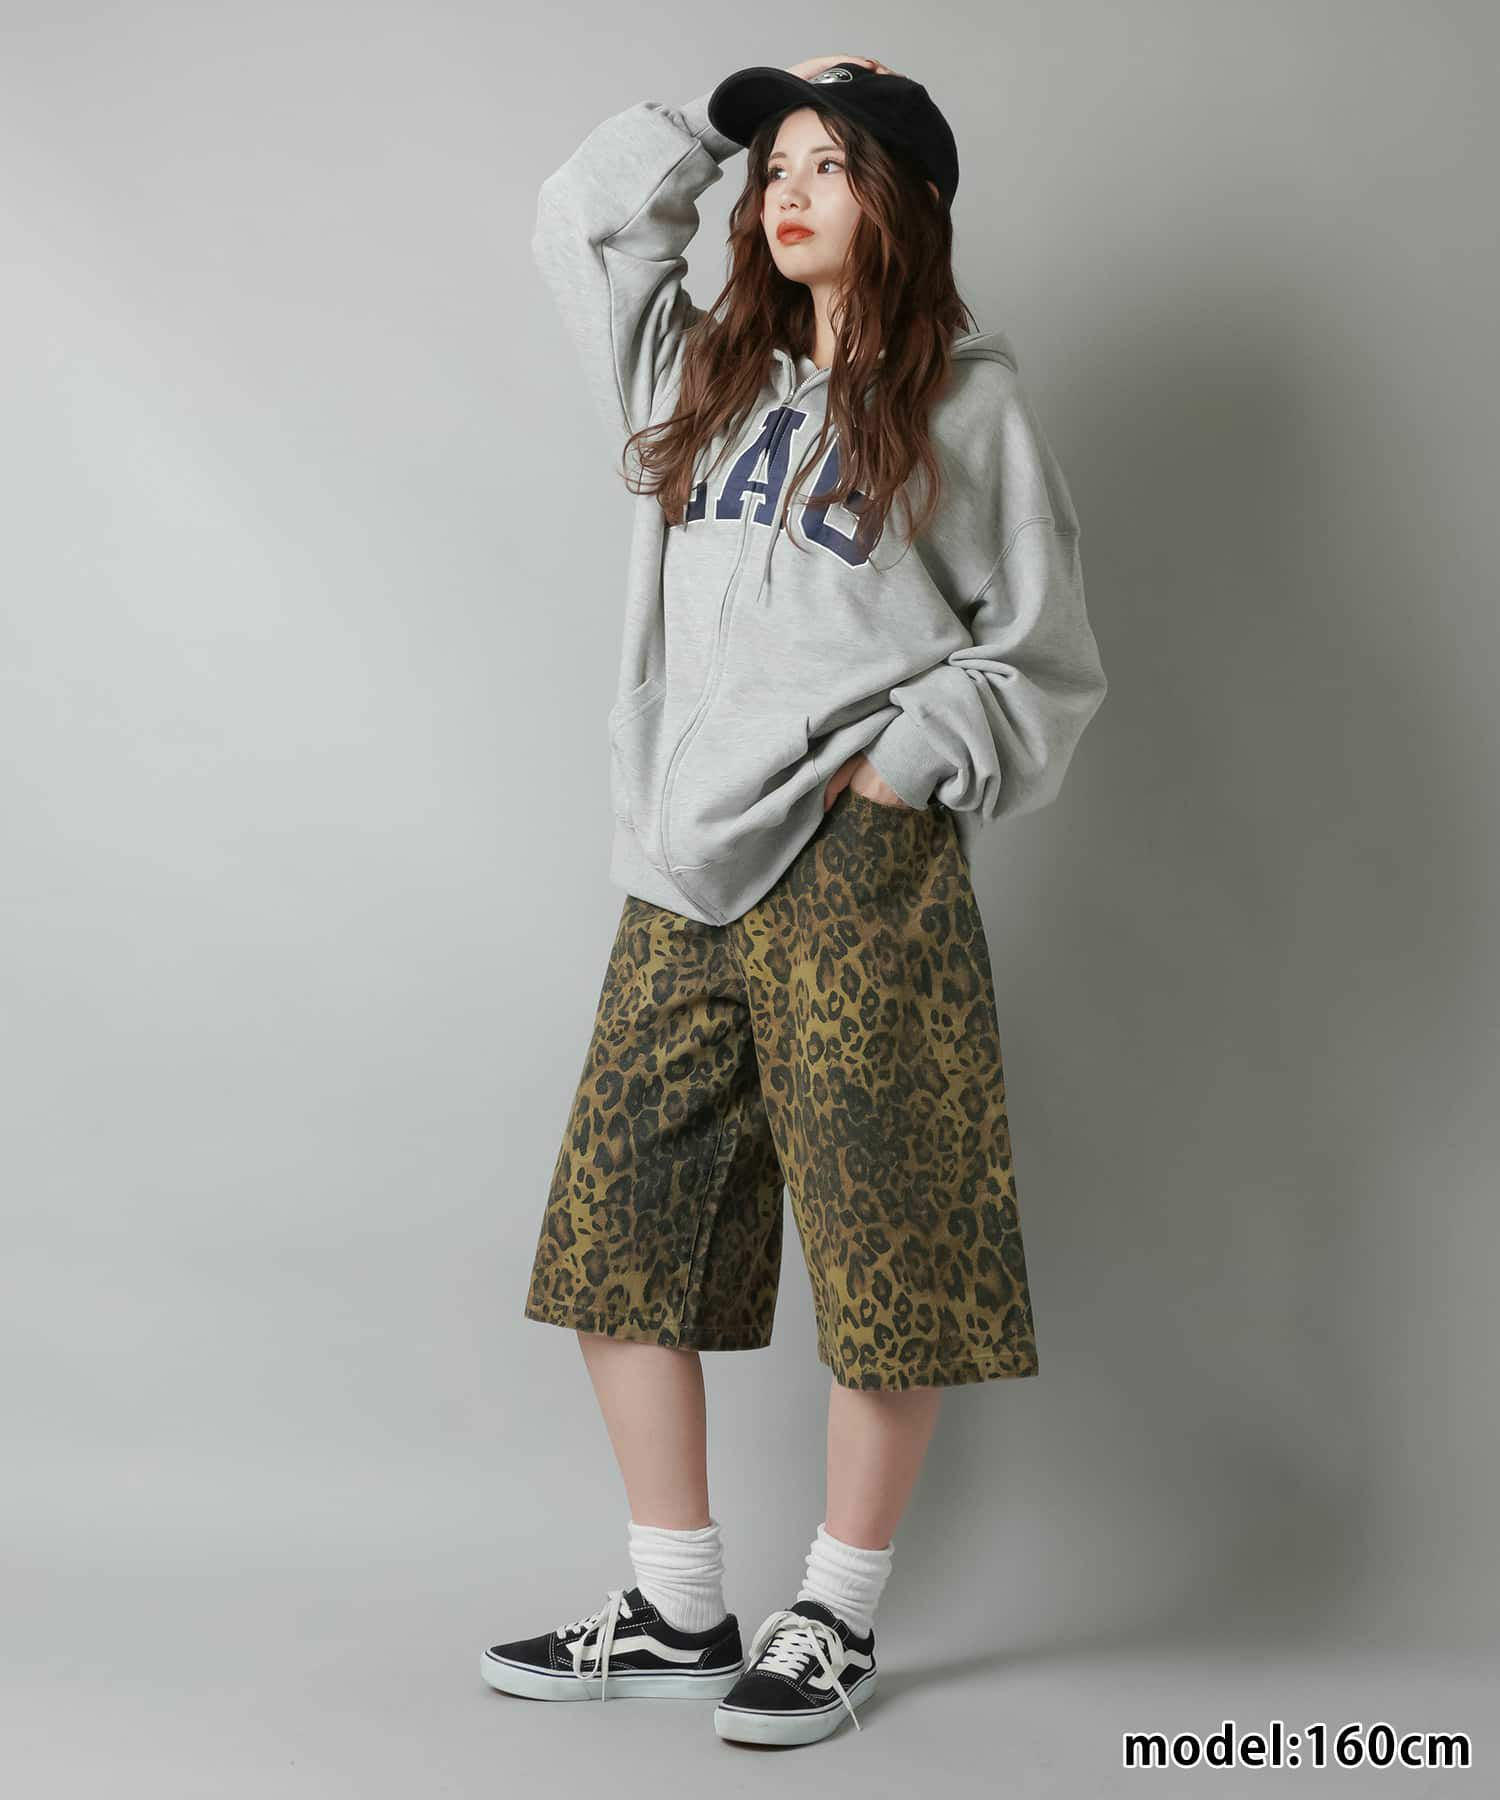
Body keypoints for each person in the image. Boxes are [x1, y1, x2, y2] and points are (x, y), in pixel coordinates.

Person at [480, 54, 1108, 1747]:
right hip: (681, 873)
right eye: (777, 166)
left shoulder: (968, 408)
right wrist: (714, 117)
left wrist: (911, 758)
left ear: (902, 204)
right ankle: (679, 1606)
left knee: (894, 1245)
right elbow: (579, 220)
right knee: (621, 1238)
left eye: (831, 164)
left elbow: (1043, 657)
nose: (789, 191)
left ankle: (835, 1612)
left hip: (860, 870)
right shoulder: (701, 373)